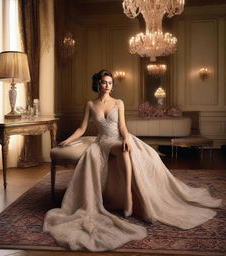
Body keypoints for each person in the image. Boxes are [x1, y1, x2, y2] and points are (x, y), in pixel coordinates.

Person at [43, 70, 222, 252]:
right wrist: (68, 140)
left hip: (118, 139)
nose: (107, 86)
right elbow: (82, 128)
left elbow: (122, 126)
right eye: (104, 82)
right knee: (122, 151)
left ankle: (129, 194)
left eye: (110, 83)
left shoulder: (118, 102)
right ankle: (128, 197)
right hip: (103, 142)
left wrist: (127, 137)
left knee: (128, 150)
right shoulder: (90, 104)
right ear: (97, 84)